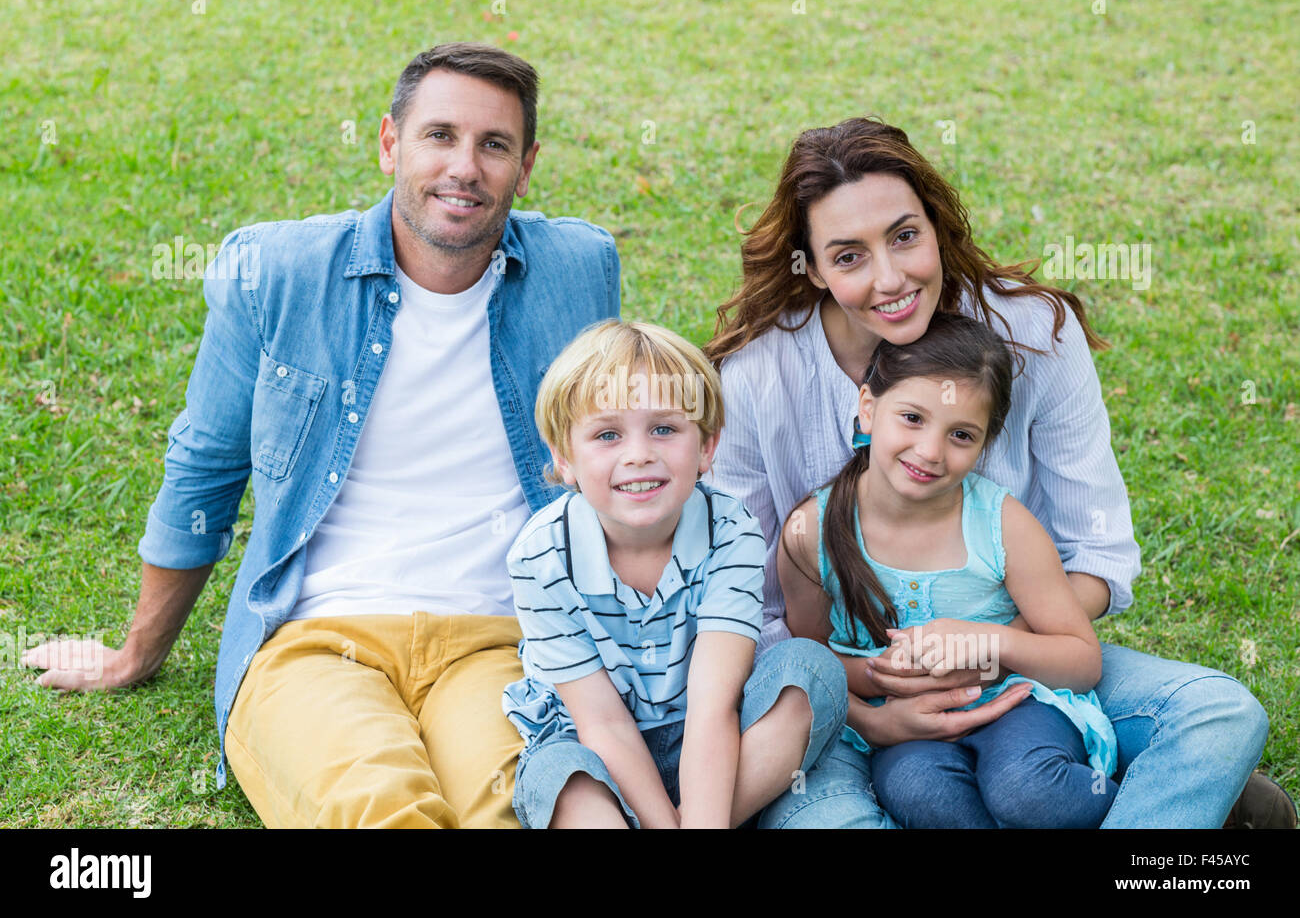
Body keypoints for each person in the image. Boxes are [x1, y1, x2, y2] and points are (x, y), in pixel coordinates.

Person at [21, 42, 621, 828]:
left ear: (527, 164)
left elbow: (624, 459)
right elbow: (206, 465)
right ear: (388, 144)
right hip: (317, 639)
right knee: (376, 810)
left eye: (494, 145)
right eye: (439, 135)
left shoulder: (579, 268)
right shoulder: (277, 271)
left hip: (503, 643)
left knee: (512, 811)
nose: (464, 167)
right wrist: (138, 652)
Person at [705, 116, 1288, 828]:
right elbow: (741, 607)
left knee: (1217, 712)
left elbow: (1098, 554)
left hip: (1028, 677)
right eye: (849, 256)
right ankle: (1156, 802)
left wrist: (980, 645)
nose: (890, 278)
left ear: (936, 226)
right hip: (848, 703)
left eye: (905, 236)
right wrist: (867, 705)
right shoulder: (756, 377)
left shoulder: (1035, 336)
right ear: (814, 266)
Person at [502, 320, 848, 828]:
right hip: (596, 745)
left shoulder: (731, 529)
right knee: (563, 781)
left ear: (707, 447)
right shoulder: (540, 557)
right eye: (607, 434)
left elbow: (713, 706)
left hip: (716, 735)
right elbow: (602, 723)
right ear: (564, 457)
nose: (639, 453)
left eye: (664, 429)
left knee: (810, 671)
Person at [782, 311, 1118, 827]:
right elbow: (811, 659)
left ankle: (1158, 807)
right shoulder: (813, 533)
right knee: (919, 792)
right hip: (906, 727)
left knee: (1025, 789)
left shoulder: (1001, 524)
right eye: (912, 418)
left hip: (1016, 703)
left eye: (961, 435)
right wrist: (882, 681)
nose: (930, 451)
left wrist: (989, 642)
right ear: (868, 408)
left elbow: (1081, 658)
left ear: (986, 443)